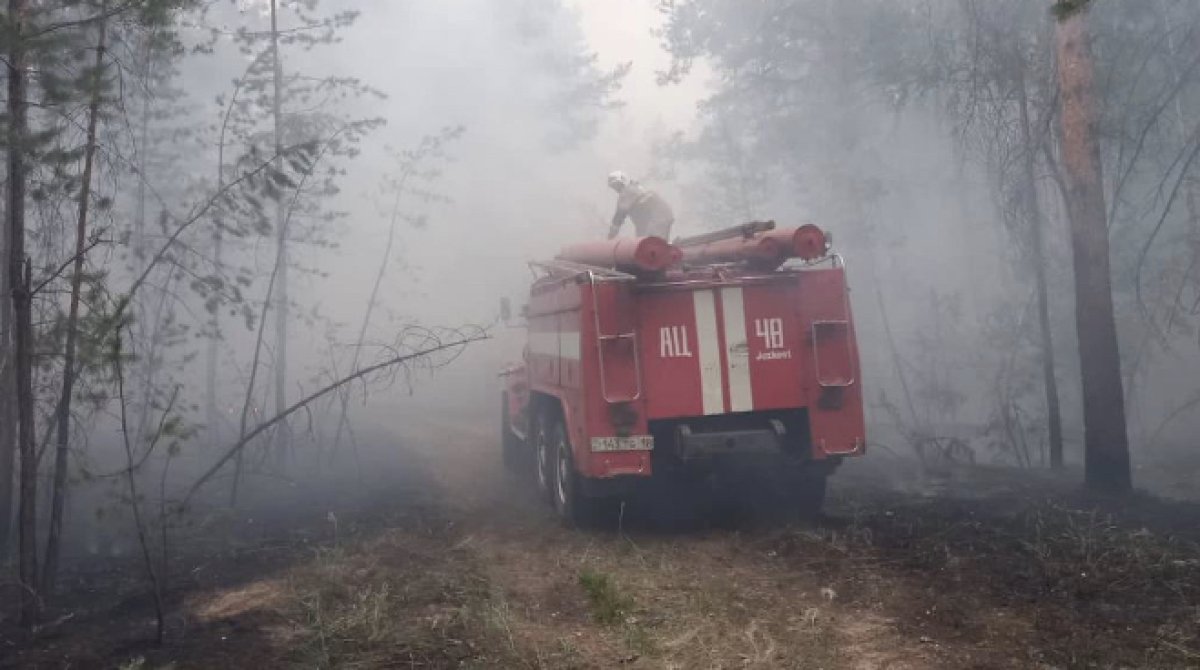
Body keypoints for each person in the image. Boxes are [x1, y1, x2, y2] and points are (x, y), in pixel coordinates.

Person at [607, 171, 674, 240]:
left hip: (658, 218)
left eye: (616, 185)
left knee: (650, 243)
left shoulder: (626, 193)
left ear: (621, 183)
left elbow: (619, 216)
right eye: (613, 186)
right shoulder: (635, 188)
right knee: (645, 241)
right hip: (662, 215)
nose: (615, 188)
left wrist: (610, 237)